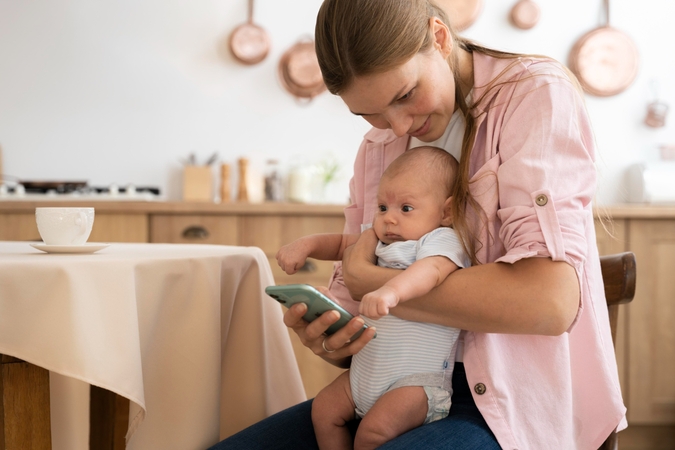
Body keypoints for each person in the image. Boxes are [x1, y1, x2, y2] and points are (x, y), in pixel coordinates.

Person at [209, 0, 626, 448]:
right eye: (368, 113)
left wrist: (372, 280)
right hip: (388, 387)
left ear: (440, 38)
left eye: (404, 95)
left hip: (511, 405)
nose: (397, 125)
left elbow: (549, 302)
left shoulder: (533, 94)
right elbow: (360, 323)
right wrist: (333, 340)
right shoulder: (379, 146)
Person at [276, 146, 471, 449]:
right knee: (324, 410)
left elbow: (431, 272)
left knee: (372, 434)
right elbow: (344, 244)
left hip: (414, 384)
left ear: (446, 212)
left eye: (405, 208)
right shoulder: (381, 239)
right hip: (363, 374)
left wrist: (390, 290)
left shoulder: (441, 239)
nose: (389, 219)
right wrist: (306, 245)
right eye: (382, 207)